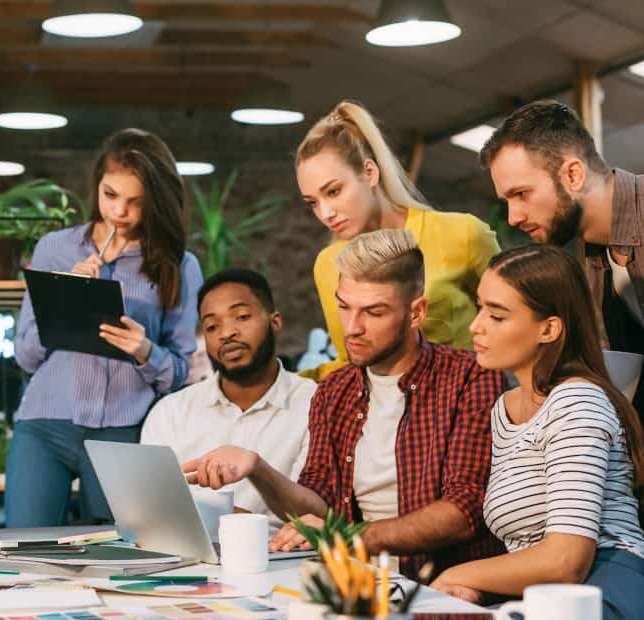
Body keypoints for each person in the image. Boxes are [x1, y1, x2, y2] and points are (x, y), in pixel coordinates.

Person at [182, 230, 506, 581]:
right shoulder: (335, 389)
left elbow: (463, 511)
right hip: (352, 584)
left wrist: (346, 538)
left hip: (439, 588)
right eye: (344, 306)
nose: (351, 328)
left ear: (416, 312)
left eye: (374, 312)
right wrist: (258, 469)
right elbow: (319, 505)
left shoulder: (470, 377)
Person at [430, 244, 644, 620]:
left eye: (497, 315)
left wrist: (457, 573)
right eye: (479, 308)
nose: (476, 327)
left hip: (608, 587)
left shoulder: (577, 401)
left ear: (548, 329)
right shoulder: (504, 410)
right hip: (548, 597)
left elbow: (566, 559)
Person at [6, 128, 203, 527]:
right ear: (96, 184)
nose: (119, 212)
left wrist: (145, 350)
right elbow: (24, 356)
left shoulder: (180, 266)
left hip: (124, 431)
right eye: (110, 195)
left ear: (156, 202)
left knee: (121, 560)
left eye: (136, 202)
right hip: (45, 424)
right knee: (21, 547)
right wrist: (65, 299)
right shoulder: (53, 249)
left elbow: (180, 374)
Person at [296, 100, 500, 380]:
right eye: (312, 203)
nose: (325, 214)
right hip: (380, 415)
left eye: (333, 192)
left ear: (369, 172)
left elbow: (517, 319)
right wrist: (283, 386)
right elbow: (350, 362)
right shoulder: (329, 264)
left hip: (467, 405)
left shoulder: (462, 234)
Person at [480, 99, 644, 423]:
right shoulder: (587, 258)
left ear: (573, 175)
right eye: (507, 201)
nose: (513, 217)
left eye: (522, 194)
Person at [142, 268, 316, 530]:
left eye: (242, 317)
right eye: (212, 326)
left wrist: (247, 522)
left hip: (281, 556)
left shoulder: (316, 404)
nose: (227, 333)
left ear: (275, 322)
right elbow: (148, 508)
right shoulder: (171, 411)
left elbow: (322, 511)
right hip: (188, 555)